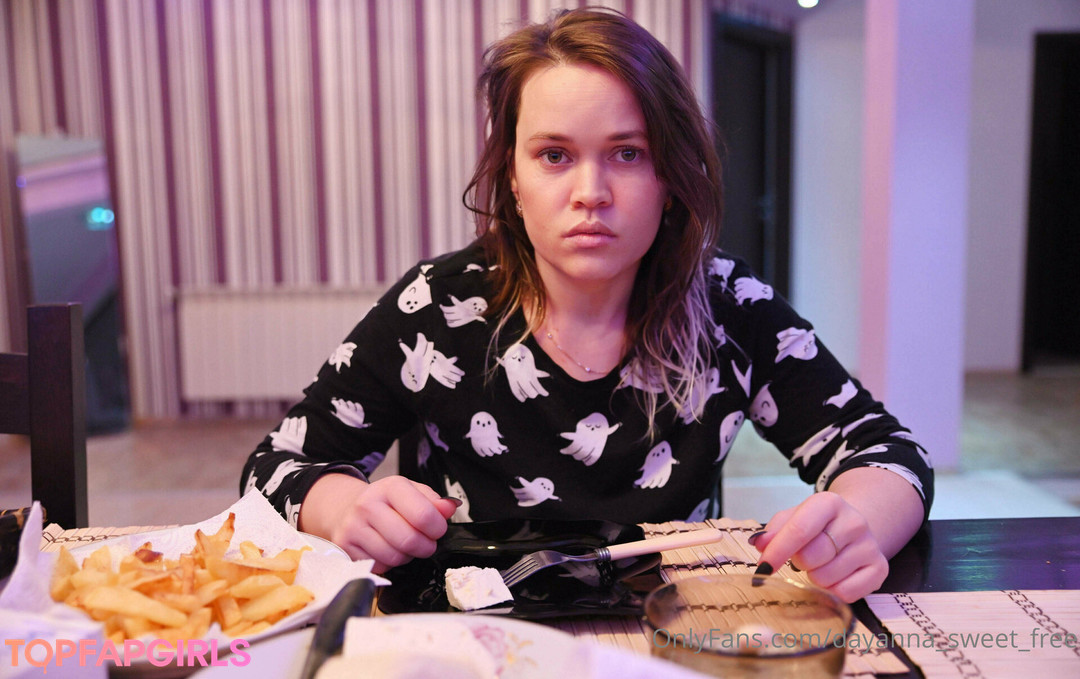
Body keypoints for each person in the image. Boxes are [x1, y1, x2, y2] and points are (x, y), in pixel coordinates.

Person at [241, 7, 932, 604]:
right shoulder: (434, 306)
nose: (590, 193)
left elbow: (890, 454)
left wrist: (858, 523)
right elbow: (273, 470)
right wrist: (346, 507)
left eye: (627, 154)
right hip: (472, 642)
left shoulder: (728, 304)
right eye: (554, 155)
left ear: (669, 178)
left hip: (666, 633)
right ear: (512, 178)